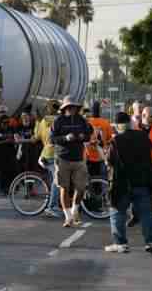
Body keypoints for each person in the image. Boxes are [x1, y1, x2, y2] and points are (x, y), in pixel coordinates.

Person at [104, 112, 152, 255]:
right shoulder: (143, 136)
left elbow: (109, 161)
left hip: (122, 183)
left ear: (118, 126)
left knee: (117, 212)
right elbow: (150, 151)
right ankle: (151, 243)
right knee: (146, 213)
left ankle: (120, 244)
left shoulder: (116, 140)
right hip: (142, 181)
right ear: (130, 123)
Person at [50, 95, 91, 227]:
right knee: (64, 188)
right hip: (63, 158)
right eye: (70, 107)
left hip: (79, 158)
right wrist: (66, 138)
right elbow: (52, 139)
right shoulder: (59, 121)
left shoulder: (82, 120)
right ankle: (68, 217)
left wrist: (82, 136)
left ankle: (75, 210)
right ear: (65, 108)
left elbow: (88, 135)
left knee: (81, 187)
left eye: (75, 107)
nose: (72, 109)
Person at [128, 106, 152, 227]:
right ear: (143, 115)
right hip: (137, 165)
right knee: (134, 192)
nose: (151, 118)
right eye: (148, 115)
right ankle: (135, 216)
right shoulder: (135, 127)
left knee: (150, 193)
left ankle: (148, 217)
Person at [34, 100, 62, 218]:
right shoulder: (60, 120)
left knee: (54, 181)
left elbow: (36, 137)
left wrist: (37, 122)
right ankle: (52, 207)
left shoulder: (42, 121)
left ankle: (53, 204)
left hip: (45, 154)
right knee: (57, 180)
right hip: (53, 155)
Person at [0, 112, 20, 195]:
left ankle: (12, 188)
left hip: (10, 154)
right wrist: (5, 141)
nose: (6, 124)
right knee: (2, 173)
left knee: (12, 171)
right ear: (0, 122)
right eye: (4, 123)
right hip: (0, 155)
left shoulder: (12, 129)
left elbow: (17, 138)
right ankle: (3, 189)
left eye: (7, 122)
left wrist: (15, 140)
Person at [86, 101, 114, 178]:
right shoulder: (105, 123)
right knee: (102, 182)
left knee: (90, 183)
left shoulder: (87, 122)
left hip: (88, 157)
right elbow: (111, 139)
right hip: (102, 158)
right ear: (100, 111)